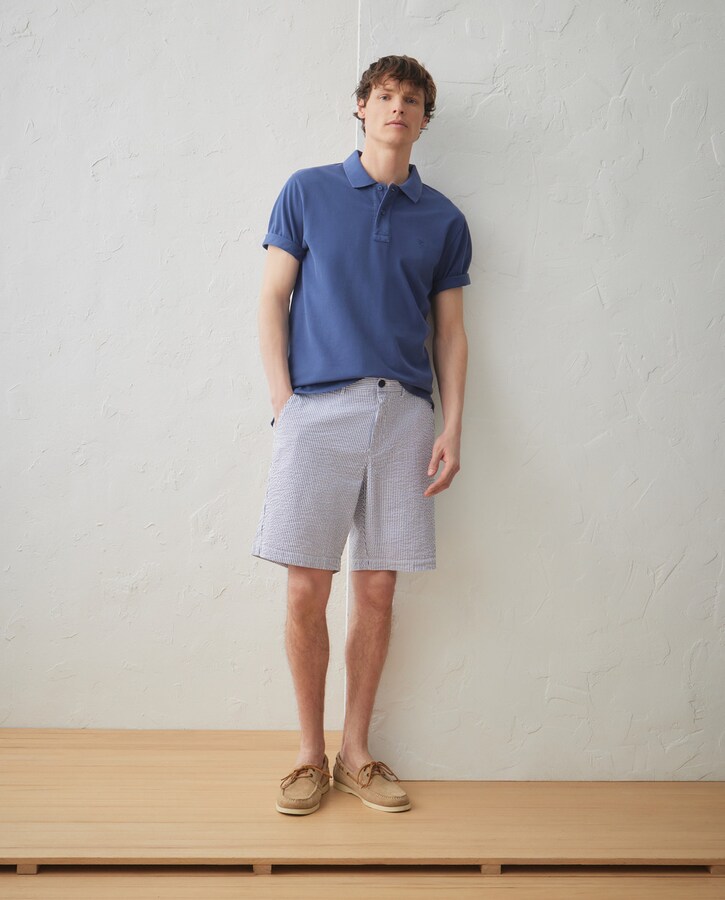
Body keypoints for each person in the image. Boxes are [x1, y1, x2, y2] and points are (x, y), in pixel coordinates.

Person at [251, 54, 473, 815]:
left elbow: (450, 333)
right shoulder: (307, 191)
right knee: (305, 586)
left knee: (377, 589)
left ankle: (355, 753)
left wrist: (452, 426)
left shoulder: (443, 219)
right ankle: (307, 757)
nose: (397, 107)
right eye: (384, 95)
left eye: (411, 99)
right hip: (316, 410)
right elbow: (272, 298)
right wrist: (284, 403)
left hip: (404, 414)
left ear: (424, 119)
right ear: (360, 107)